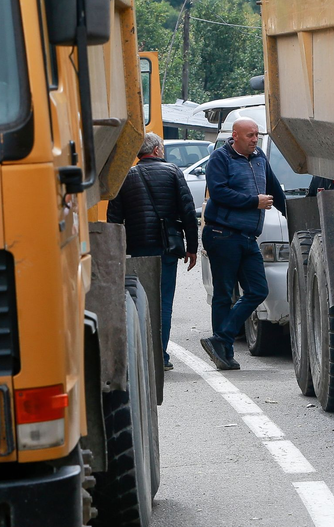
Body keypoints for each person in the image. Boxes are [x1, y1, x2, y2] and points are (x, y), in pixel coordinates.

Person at [200, 118, 286, 370]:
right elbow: (218, 192)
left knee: (258, 290)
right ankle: (224, 354)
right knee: (224, 293)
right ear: (235, 136)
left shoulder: (259, 158)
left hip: (248, 237)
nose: (254, 139)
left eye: (257, 135)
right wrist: (253, 201)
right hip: (222, 234)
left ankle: (221, 338)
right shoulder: (220, 158)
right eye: (249, 135)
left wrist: (293, 218)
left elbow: (276, 193)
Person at [108, 132, 198, 371]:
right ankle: (160, 356)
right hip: (167, 247)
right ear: (157, 150)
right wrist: (192, 248)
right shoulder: (173, 172)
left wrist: (117, 250)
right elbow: (188, 211)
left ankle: (142, 354)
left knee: (140, 300)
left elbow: (114, 218)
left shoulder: (125, 176)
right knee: (163, 302)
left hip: (137, 248)